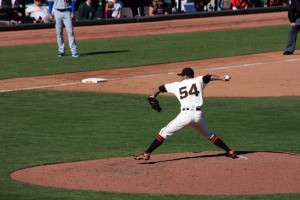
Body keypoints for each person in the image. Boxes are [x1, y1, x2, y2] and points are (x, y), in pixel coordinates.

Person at [134, 67, 238, 160]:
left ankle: (147, 153)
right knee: (210, 135)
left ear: (185, 76)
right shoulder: (198, 81)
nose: (181, 77)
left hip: (185, 116)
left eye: (181, 76)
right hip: (198, 117)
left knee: (163, 132)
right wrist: (221, 77)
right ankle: (229, 151)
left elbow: (160, 88)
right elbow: (208, 77)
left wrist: (152, 96)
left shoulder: (176, 85)